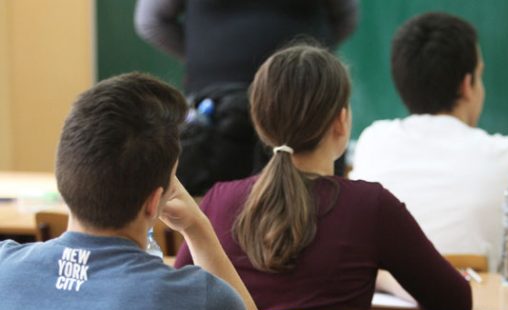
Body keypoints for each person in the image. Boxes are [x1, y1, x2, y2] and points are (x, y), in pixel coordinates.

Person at [0, 73, 274, 310]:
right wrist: (198, 228)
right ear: (156, 201)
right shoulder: (195, 299)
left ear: (63, 177)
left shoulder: (5, 266)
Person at [174, 44, 472, 310]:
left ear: (261, 123)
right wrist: (382, 274)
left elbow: (178, 297)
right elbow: (454, 302)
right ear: (341, 121)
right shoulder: (371, 207)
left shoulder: (219, 201)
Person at [350, 12, 508, 273]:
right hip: (474, 298)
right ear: (467, 84)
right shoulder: (507, 158)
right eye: (480, 75)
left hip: (383, 301)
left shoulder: (372, 142)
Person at [134, 0, 359, 189]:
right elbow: (152, 22)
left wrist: (211, 56)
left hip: (299, 103)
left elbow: (346, 16)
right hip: (229, 113)